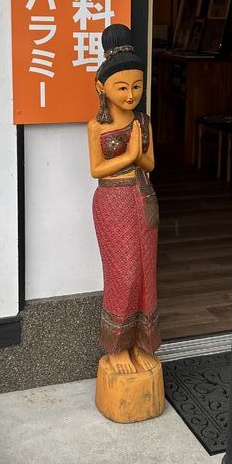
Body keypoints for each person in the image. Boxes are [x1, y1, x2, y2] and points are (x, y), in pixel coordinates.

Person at [87, 24, 161, 375]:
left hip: (143, 197)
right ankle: (116, 346)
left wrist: (138, 155)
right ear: (101, 87)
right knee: (124, 274)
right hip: (112, 201)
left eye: (137, 86)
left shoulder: (143, 121)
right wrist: (131, 154)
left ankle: (139, 343)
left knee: (145, 273)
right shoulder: (97, 127)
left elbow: (151, 163)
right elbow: (96, 170)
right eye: (121, 87)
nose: (131, 94)